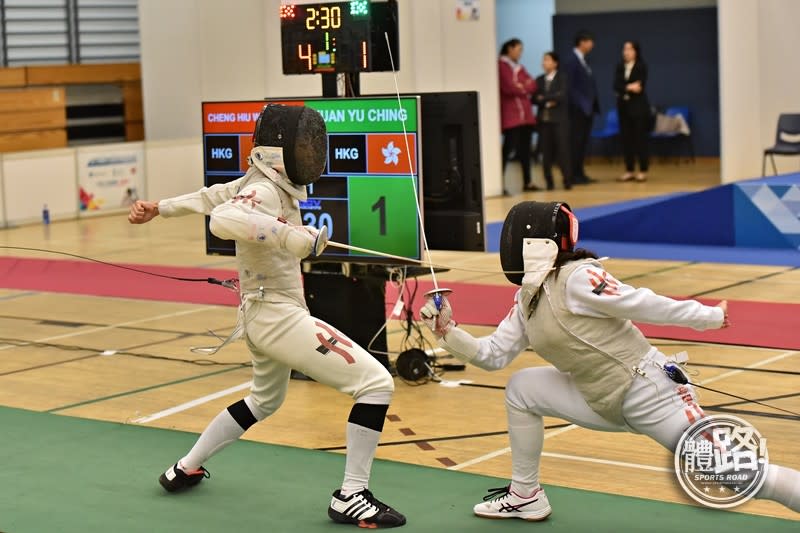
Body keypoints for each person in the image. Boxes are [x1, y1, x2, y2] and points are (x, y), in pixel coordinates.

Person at [420, 200, 800, 521]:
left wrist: (708, 316)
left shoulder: (577, 276)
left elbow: (641, 301)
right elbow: (492, 355)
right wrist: (449, 331)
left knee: (739, 474)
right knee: (522, 389)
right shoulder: (528, 300)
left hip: (650, 394)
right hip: (598, 399)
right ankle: (525, 496)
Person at [128, 104, 406, 529]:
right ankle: (351, 496)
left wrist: (159, 207)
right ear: (282, 151)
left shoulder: (257, 183)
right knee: (375, 383)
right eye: (304, 144)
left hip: (262, 314)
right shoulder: (265, 191)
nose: (312, 152)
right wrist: (292, 236)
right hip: (276, 318)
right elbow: (223, 218)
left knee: (265, 400)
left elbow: (210, 196)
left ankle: (185, 467)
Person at [499, 38, 539, 193]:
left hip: (526, 117)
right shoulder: (501, 66)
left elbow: (533, 84)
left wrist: (521, 87)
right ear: (509, 48)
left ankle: (527, 182)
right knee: (508, 149)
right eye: (518, 49)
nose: (520, 53)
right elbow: (509, 88)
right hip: (512, 116)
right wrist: (523, 87)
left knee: (525, 151)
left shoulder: (519, 67)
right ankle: (499, 184)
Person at [563, 30, 599, 185]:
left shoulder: (584, 60)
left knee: (583, 143)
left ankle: (580, 172)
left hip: (587, 110)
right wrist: (583, 105)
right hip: (578, 110)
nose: (592, 45)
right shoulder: (572, 60)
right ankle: (573, 175)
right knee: (575, 143)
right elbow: (570, 87)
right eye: (590, 41)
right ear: (582, 42)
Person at [532, 52, 572, 190]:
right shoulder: (539, 80)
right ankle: (549, 182)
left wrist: (543, 98)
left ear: (555, 63)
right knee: (546, 153)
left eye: (547, 60)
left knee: (563, 151)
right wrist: (549, 99)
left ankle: (567, 180)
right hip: (544, 122)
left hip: (559, 121)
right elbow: (534, 98)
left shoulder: (562, 78)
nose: (544, 63)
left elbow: (561, 96)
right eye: (543, 60)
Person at [614, 40, 651, 182]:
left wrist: (625, 87)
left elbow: (639, 86)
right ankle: (629, 170)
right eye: (624, 49)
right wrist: (629, 87)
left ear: (636, 51)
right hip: (623, 108)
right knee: (626, 139)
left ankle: (643, 170)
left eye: (629, 49)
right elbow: (616, 85)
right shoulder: (619, 66)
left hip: (639, 108)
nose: (626, 52)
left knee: (640, 139)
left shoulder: (641, 66)